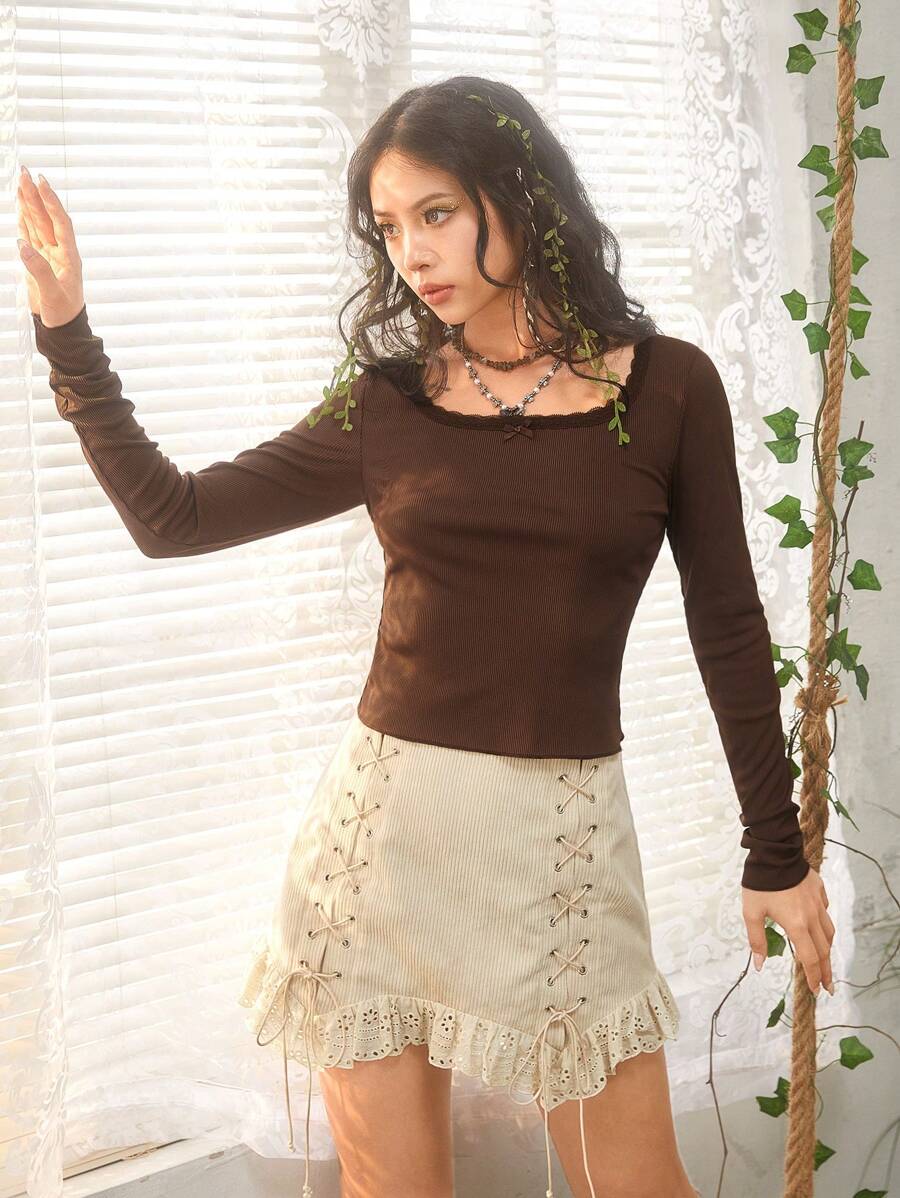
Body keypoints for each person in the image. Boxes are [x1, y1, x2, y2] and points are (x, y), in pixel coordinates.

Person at [19, 74, 834, 1198]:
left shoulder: (670, 388)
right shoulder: (390, 402)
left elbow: (727, 622)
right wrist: (68, 332)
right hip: (381, 853)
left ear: (520, 193)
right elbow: (176, 517)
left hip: (563, 848)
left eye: (436, 213)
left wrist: (773, 850)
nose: (412, 253)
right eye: (390, 227)